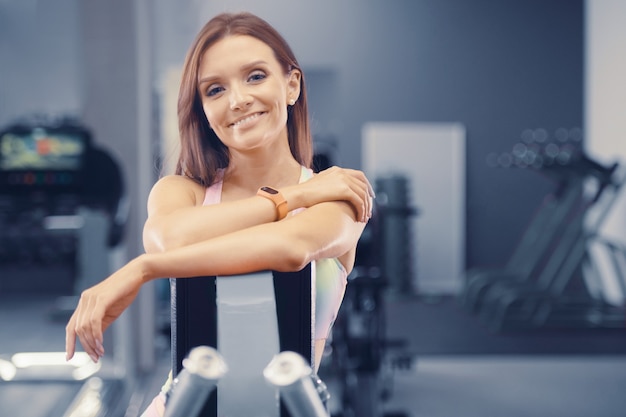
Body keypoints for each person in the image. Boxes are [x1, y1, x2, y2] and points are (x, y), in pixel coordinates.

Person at [65, 11, 374, 416]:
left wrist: (143, 270)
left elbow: (290, 248)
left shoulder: (339, 195)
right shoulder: (181, 192)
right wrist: (296, 197)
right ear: (204, 112)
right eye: (214, 90)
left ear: (292, 84)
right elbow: (169, 239)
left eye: (256, 76)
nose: (238, 100)